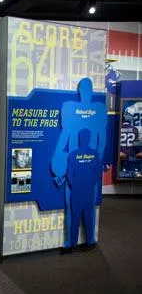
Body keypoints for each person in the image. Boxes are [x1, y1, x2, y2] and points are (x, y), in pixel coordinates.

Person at [51, 77, 107, 247]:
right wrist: (56, 159)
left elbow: (102, 139)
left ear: (91, 91)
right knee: (71, 204)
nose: (86, 92)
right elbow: (65, 135)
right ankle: (70, 241)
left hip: (90, 166)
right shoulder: (70, 108)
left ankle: (90, 240)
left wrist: (97, 162)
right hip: (74, 164)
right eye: (83, 89)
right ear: (79, 91)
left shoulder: (99, 109)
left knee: (90, 205)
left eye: (88, 89)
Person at [66, 129, 102, 247]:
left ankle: (73, 245)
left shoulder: (73, 154)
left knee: (75, 219)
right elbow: (97, 173)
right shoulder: (94, 154)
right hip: (88, 192)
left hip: (76, 192)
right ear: (89, 139)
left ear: (80, 139)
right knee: (88, 218)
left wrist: (76, 186)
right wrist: (90, 185)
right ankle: (89, 243)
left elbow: (69, 174)